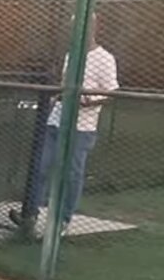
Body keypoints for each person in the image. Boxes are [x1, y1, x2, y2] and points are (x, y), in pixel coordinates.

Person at [9, 18, 119, 233]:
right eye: (73, 28)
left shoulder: (104, 58)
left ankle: (63, 220)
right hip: (56, 120)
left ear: (94, 28)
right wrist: (55, 98)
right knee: (40, 166)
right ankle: (29, 215)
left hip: (82, 126)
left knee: (71, 173)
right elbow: (64, 84)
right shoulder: (71, 55)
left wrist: (89, 101)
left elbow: (112, 92)